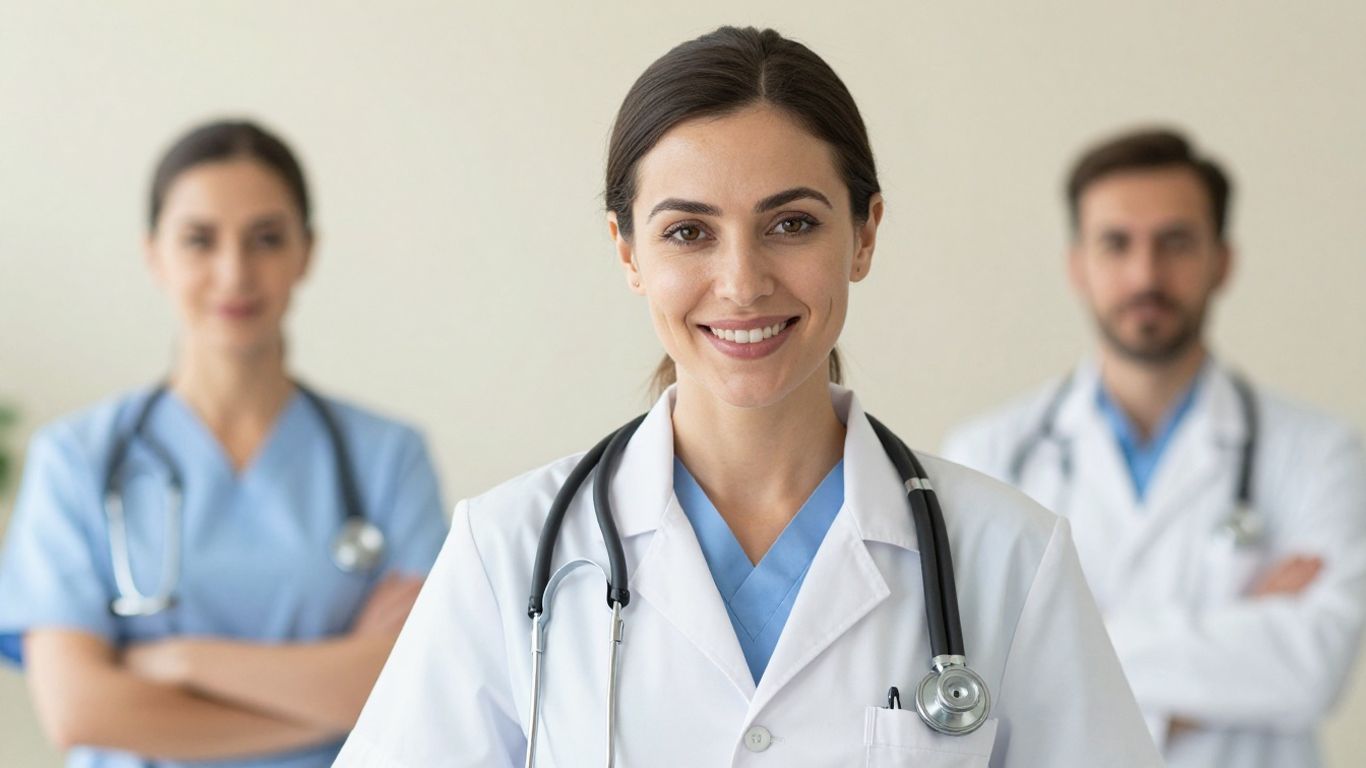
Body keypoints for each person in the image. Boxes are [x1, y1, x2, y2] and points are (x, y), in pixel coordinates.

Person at [335, 28, 1159, 767]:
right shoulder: (508, 552)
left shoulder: (1007, 554)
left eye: (792, 224)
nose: (742, 282)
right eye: (688, 232)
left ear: (864, 234)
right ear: (626, 251)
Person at [0, 120, 449, 767]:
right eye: (199, 241)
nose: (235, 272)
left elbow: (420, 683)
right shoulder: (76, 459)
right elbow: (79, 710)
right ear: (155, 255)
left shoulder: (386, 459)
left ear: (306, 252)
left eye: (266, 239)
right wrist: (336, 703)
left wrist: (180, 661)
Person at [943, 127, 1366, 767]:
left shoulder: (1322, 453)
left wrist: (1056, 645)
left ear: (1222, 261)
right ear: (1078, 265)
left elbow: (1311, 670)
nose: (1146, 273)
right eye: (1117, 244)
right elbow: (973, 672)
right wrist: (1238, 634)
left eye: (1176, 242)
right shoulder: (986, 456)